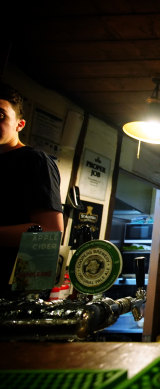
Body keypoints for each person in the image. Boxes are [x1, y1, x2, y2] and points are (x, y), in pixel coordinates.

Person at [0, 82, 64, 292]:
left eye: (1, 115)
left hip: (11, 293)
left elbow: (50, 233)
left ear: (20, 124)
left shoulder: (35, 161)